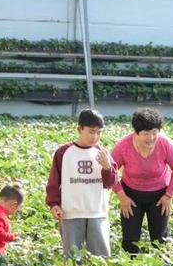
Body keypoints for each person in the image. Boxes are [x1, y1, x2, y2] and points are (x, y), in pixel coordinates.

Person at [45, 109, 118, 258]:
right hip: (70, 212)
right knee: (71, 257)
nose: (95, 137)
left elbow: (111, 183)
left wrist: (107, 167)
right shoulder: (63, 152)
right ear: (79, 128)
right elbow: (54, 181)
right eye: (91, 132)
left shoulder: (103, 153)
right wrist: (53, 204)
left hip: (97, 212)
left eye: (99, 132)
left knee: (100, 258)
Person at [111, 108, 173, 254]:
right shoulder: (123, 146)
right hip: (131, 194)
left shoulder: (165, 144)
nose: (150, 138)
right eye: (146, 134)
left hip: (159, 195)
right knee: (130, 239)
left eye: (154, 133)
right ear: (136, 132)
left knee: (160, 239)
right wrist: (122, 196)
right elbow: (110, 172)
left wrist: (168, 195)